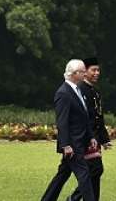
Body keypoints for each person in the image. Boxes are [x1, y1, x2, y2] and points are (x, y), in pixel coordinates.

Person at [41, 59, 97, 201]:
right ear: (73, 74)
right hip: (72, 144)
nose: (85, 74)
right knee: (84, 175)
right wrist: (66, 145)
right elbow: (62, 121)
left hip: (79, 142)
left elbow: (84, 117)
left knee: (62, 175)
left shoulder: (78, 90)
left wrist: (91, 137)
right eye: (82, 72)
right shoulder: (63, 93)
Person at [68, 57, 112, 201]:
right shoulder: (80, 90)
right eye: (93, 70)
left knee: (95, 172)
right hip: (85, 138)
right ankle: (73, 199)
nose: (97, 73)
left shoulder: (96, 92)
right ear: (85, 72)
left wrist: (104, 139)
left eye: (98, 70)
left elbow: (99, 117)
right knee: (95, 170)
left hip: (95, 139)